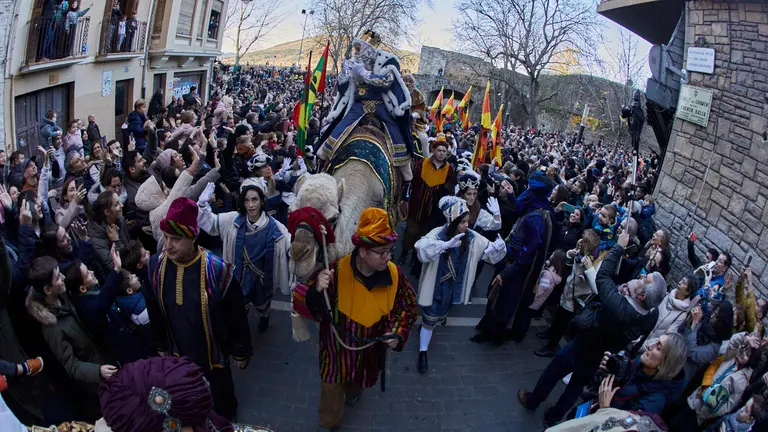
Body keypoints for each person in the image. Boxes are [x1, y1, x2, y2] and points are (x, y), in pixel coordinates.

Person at [518, 232, 666, 427]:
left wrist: (619, 246)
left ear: (640, 296)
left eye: (645, 280)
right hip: (599, 357)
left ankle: (533, 401)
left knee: (553, 372)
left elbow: (603, 276)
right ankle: (553, 418)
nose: (643, 275)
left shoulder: (619, 308)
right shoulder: (650, 314)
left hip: (583, 346)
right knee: (575, 387)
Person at [293, 207, 418, 431]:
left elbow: (407, 307)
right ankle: (329, 423)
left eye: (389, 250)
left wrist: (397, 333)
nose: (387, 257)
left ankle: (353, 392)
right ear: (362, 251)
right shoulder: (336, 272)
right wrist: (316, 291)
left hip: (368, 355)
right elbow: (310, 306)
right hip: (335, 354)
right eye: (381, 252)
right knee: (331, 395)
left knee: (357, 384)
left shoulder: (396, 275)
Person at [143, 197, 253, 420]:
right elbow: (153, 307)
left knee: (222, 401)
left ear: (192, 237)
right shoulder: (156, 266)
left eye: (175, 239)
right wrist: (160, 343)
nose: (167, 246)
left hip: (213, 353)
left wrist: (241, 350)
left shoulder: (218, 271)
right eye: (165, 237)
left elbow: (236, 315)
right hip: (178, 351)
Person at [414, 196, 506, 373]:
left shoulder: (471, 237)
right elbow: (421, 249)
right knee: (430, 316)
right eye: (462, 221)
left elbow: (489, 253)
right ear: (452, 220)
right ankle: (423, 351)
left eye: (467, 221)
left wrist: (499, 248)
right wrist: (443, 245)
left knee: (440, 313)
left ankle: (431, 327)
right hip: (435, 287)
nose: (466, 225)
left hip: (452, 288)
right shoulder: (438, 234)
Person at [25, 256, 118, 419]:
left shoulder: (64, 295)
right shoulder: (52, 330)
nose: (63, 278)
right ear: (47, 290)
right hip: (99, 382)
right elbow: (72, 366)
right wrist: (98, 371)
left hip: (106, 359)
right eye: (58, 277)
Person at [472, 171, 556, 345]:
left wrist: (505, 273)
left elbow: (527, 256)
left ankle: (492, 334)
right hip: (510, 260)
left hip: (516, 269)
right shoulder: (537, 208)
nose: (526, 191)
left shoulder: (536, 219)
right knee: (495, 296)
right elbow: (518, 208)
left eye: (530, 189)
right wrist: (511, 195)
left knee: (503, 302)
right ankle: (487, 326)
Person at [197, 178, 291, 333]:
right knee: (239, 305)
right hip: (239, 276)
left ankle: (264, 316)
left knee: (262, 303)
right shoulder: (232, 219)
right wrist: (202, 205)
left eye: (254, 200)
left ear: (261, 201)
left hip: (261, 278)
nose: (251, 205)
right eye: (246, 200)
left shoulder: (275, 228)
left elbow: (292, 247)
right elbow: (211, 224)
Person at [594, 333, 688, 415]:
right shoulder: (639, 363)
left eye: (658, 348)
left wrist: (604, 409)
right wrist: (611, 368)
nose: (649, 345)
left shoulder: (655, 401)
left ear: (664, 364)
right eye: (655, 341)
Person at [398, 137, 455, 266]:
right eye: (439, 150)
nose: (441, 153)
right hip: (416, 206)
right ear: (433, 151)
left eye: (444, 151)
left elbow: (450, 190)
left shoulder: (449, 170)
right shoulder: (422, 164)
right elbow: (410, 182)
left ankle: (416, 256)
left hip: (432, 211)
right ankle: (405, 252)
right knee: (410, 232)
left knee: (424, 235)